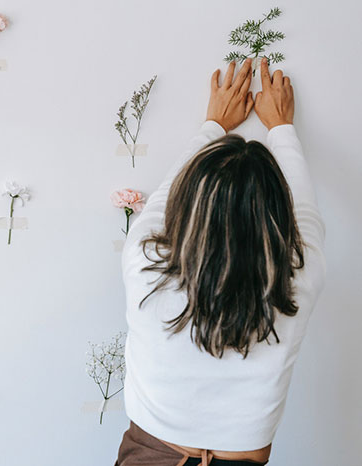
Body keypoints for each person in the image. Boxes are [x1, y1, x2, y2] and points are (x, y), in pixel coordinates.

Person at [114, 57, 326, 466]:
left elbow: (162, 202)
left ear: (189, 205)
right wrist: (281, 128)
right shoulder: (298, 277)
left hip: (150, 455)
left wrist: (213, 125)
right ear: (277, 213)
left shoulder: (146, 265)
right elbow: (306, 211)